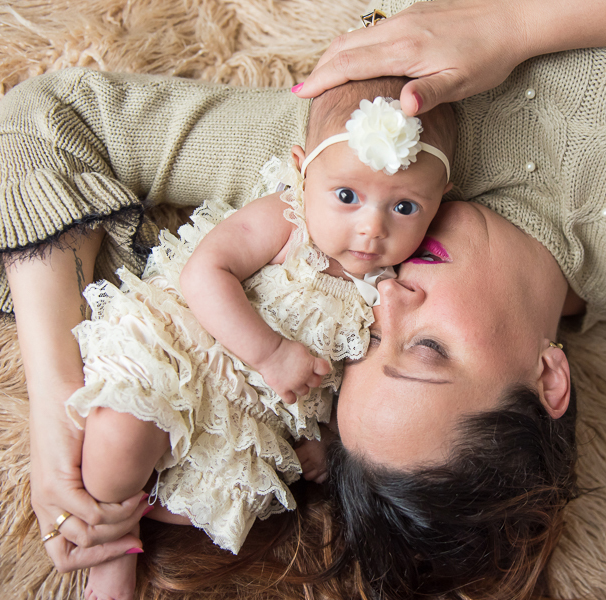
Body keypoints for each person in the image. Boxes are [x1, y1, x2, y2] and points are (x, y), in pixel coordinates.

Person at [0, 0, 606, 597]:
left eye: (365, 352)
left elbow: (52, 116)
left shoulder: (340, 191)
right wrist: (517, 24)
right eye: (424, 350)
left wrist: (63, 415)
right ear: (550, 378)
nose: (384, 299)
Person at [67, 77, 455, 600]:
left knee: (222, 507)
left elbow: (355, 376)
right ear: (301, 169)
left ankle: (145, 501)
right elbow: (205, 273)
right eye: (346, 196)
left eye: (404, 207)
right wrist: (269, 352)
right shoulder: (287, 219)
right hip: (187, 353)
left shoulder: (391, 289)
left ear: (439, 204)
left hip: (249, 417)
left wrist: (325, 439)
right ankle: (115, 540)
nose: (371, 228)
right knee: (117, 450)